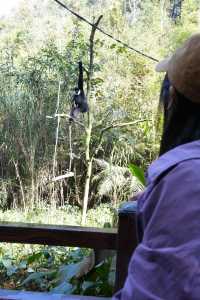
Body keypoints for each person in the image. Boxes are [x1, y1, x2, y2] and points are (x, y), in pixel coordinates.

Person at [113, 34, 200, 300]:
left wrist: (178, 190)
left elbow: (152, 293)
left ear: (172, 96)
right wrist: (158, 197)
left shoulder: (188, 178)